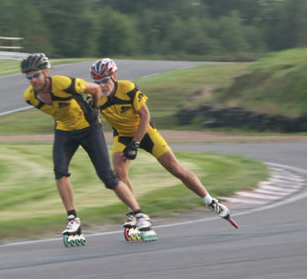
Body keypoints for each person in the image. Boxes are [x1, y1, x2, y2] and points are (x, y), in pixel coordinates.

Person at [21, 53, 155, 240]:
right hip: (65, 131)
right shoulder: (31, 98)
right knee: (60, 172)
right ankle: (72, 219)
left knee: (107, 177)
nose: (32, 80)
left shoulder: (63, 83)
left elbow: (95, 89)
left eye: (35, 75)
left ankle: (139, 214)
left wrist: (96, 110)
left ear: (46, 72)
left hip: (89, 129)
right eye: (28, 77)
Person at [89, 58, 232, 227]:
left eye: (105, 80)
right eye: (97, 82)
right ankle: (135, 213)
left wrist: (135, 144)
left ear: (114, 76)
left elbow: (145, 116)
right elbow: (90, 119)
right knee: (119, 172)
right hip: (122, 135)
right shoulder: (97, 96)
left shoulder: (127, 88)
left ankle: (210, 201)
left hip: (144, 131)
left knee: (175, 169)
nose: (102, 85)